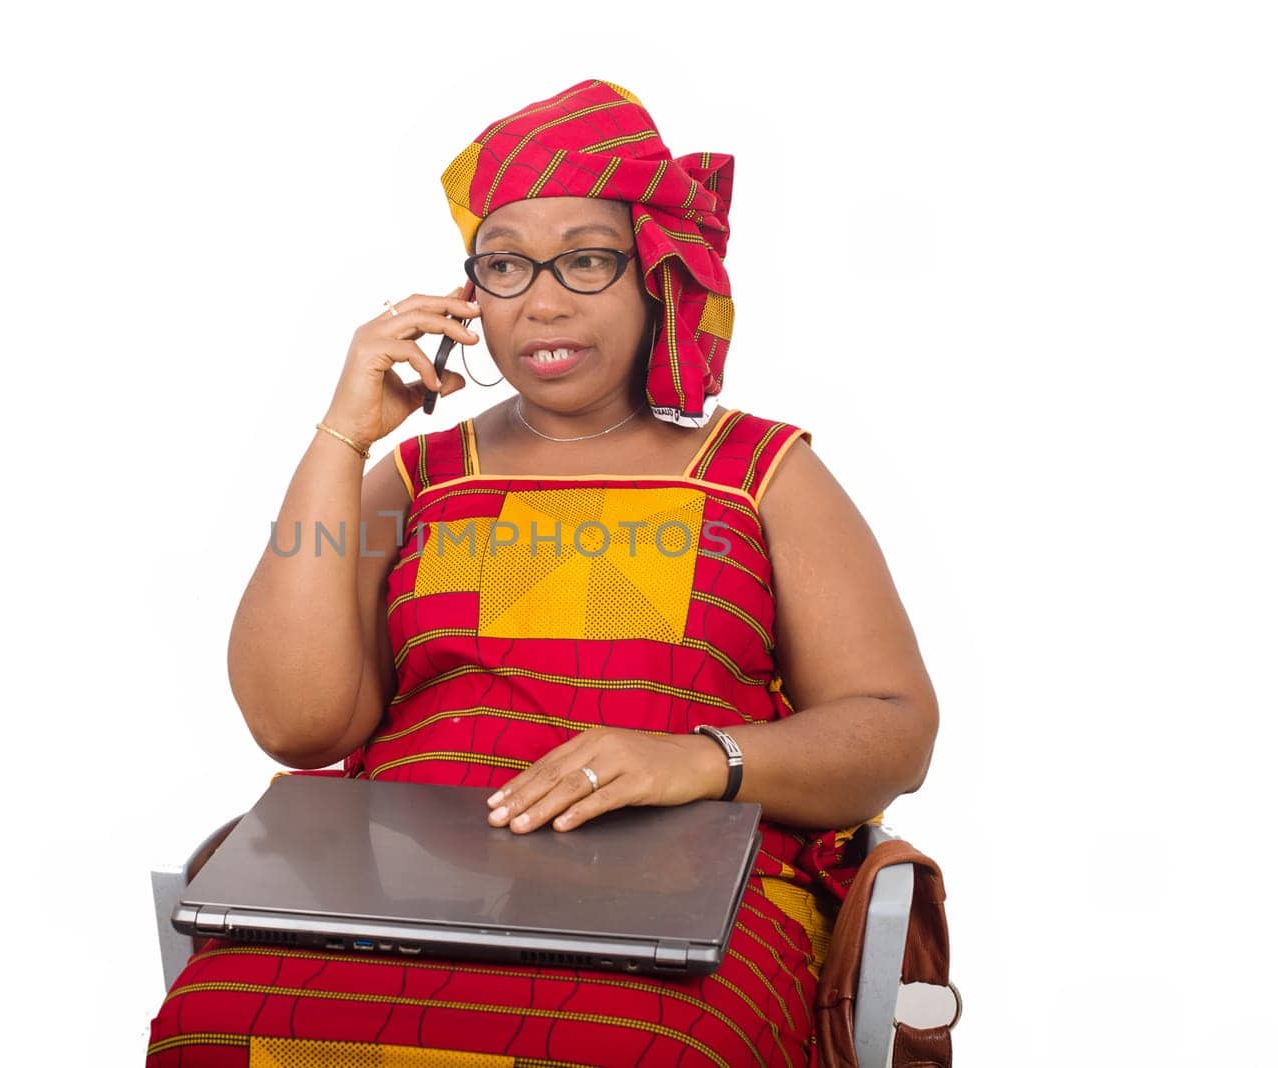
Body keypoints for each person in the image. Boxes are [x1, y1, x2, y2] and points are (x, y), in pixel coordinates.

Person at [146, 77, 938, 1068]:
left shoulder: (763, 474)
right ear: (468, 292)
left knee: (642, 1050)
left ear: (656, 275)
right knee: (213, 1023)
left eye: (586, 260)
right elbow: (298, 727)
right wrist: (342, 439)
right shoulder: (419, 476)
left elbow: (891, 729)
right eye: (507, 265)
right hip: (404, 889)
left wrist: (697, 761)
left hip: (680, 886)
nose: (545, 300)